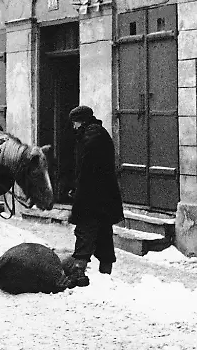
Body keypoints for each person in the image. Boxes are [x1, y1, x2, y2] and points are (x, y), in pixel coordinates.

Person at [67, 105, 124, 286]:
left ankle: (78, 274)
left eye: (75, 123)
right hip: (103, 197)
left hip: (92, 198)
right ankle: (105, 276)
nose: (74, 127)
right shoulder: (95, 134)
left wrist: (78, 193)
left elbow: (86, 171)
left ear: (81, 121)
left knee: (85, 232)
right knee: (103, 234)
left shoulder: (91, 137)